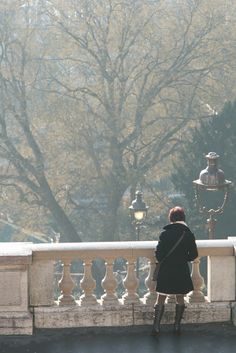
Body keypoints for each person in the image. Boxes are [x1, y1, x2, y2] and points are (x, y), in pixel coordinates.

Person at [152, 206, 198, 335]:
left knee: (161, 296)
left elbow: (159, 255)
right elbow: (194, 254)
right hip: (181, 269)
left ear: (171, 218)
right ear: (183, 218)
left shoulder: (165, 234)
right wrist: (183, 258)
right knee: (180, 297)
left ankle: (156, 327)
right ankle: (177, 326)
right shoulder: (188, 234)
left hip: (166, 269)